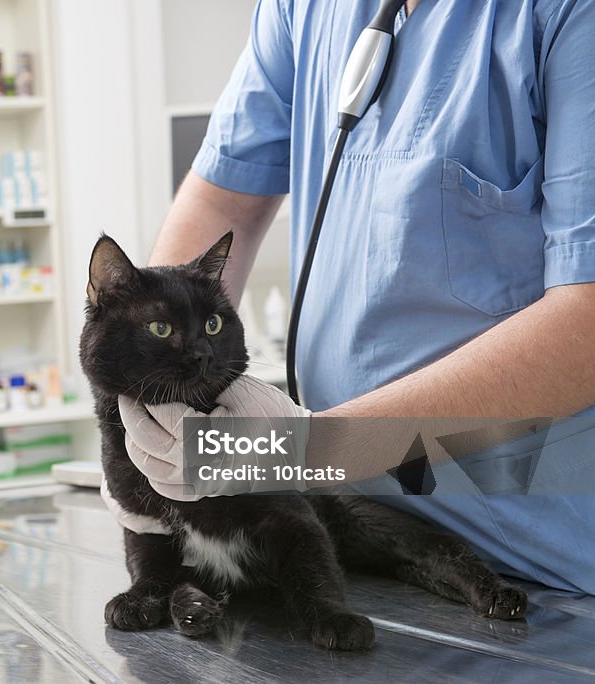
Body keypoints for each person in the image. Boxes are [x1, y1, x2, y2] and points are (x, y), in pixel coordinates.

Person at [110, 0, 595, 594]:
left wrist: (310, 450)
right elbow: (223, 201)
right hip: (353, 535)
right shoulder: (301, 10)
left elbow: (587, 320)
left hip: (542, 564)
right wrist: (158, 404)